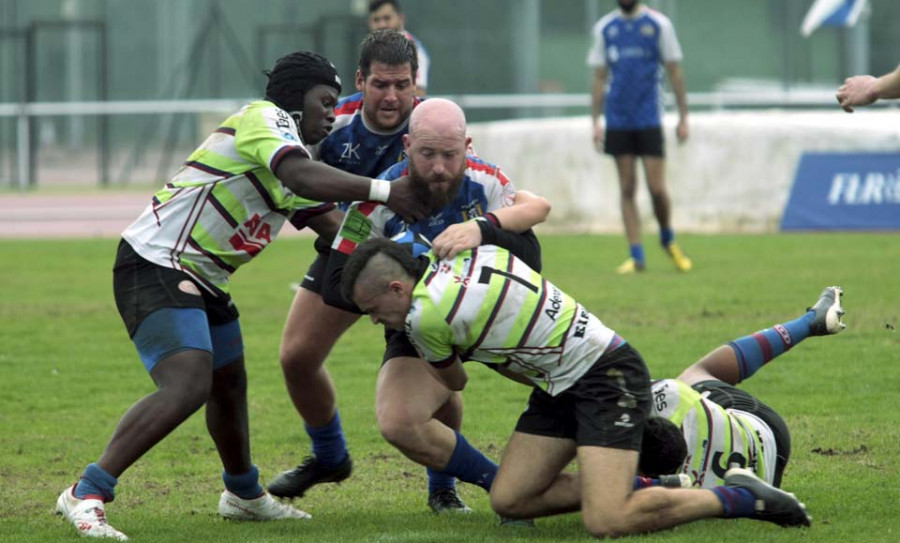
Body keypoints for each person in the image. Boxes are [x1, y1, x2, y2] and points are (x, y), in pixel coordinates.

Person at [54, 50, 428, 541]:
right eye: (325, 102)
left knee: (228, 385)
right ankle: (88, 490)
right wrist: (386, 191)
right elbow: (299, 177)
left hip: (202, 276)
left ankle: (243, 494)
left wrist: (411, 261)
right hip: (156, 262)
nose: (332, 114)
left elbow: (337, 233)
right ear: (297, 99)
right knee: (188, 384)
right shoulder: (264, 119)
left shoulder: (293, 154)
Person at [341, 239, 814, 537]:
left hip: (605, 376)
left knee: (606, 521)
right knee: (509, 499)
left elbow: (455, 382)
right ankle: (655, 483)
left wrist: (442, 351)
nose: (375, 322)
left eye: (372, 309)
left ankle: (741, 498)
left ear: (399, 289)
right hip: (561, 384)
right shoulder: (468, 250)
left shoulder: (424, 319)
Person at [270, 91, 549, 518]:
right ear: (407, 147)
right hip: (421, 328)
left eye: (450, 155)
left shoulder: (488, 181)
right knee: (400, 421)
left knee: (573, 381)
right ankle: (496, 486)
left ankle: (642, 456)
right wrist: (406, 270)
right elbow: (339, 281)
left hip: (494, 321)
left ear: (468, 148)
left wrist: (479, 228)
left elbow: (531, 228)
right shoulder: (377, 200)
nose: (439, 167)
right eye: (427, 154)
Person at [641, 286, 846, 489]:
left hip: (761, 478)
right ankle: (810, 323)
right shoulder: (668, 395)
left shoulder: (646, 502)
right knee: (693, 376)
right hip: (763, 435)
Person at [588, 0, 691, 274]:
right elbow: (599, 77)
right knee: (626, 188)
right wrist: (596, 120)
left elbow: (675, 72)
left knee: (657, 188)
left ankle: (667, 238)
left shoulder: (658, 25)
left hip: (649, 118)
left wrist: (683, 116)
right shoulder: (605, 28)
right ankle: (636, 256)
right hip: (618, 119)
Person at [368, 0, 430, 97]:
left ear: (401, 18)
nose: (382, 25)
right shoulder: (370, 50)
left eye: (387, 18)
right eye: (376, 20)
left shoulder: (413, 50)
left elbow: (418, 94)